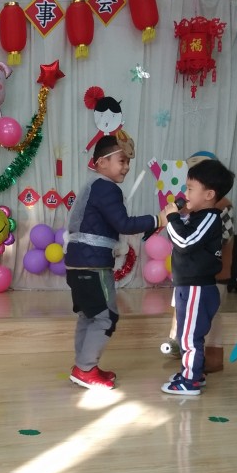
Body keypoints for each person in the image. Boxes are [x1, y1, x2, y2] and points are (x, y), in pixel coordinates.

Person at [65, 134, 165, 389]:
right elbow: (124, 224)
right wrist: (158, 219)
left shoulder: (92, 186)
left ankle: (83, 366)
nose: (127, 167)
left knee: (89, 316)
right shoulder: (107, 188)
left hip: (77, 262)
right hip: (93, 264)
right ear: (101, 162)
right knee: (105, 317)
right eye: (122, 160)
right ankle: (85, 369)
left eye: (128, 162)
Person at [161, 159, 235, 395]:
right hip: (188, 286)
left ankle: (190, 381)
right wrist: (176, 219)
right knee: (186, 334)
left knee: (190, 337)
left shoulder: (211, 217)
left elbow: (184, 242)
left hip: (197, 288)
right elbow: (181, 238)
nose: (186, 193)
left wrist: (173, 219)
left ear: (209, 194)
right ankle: (193, 373)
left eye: (191, 188)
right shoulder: (197, 217)